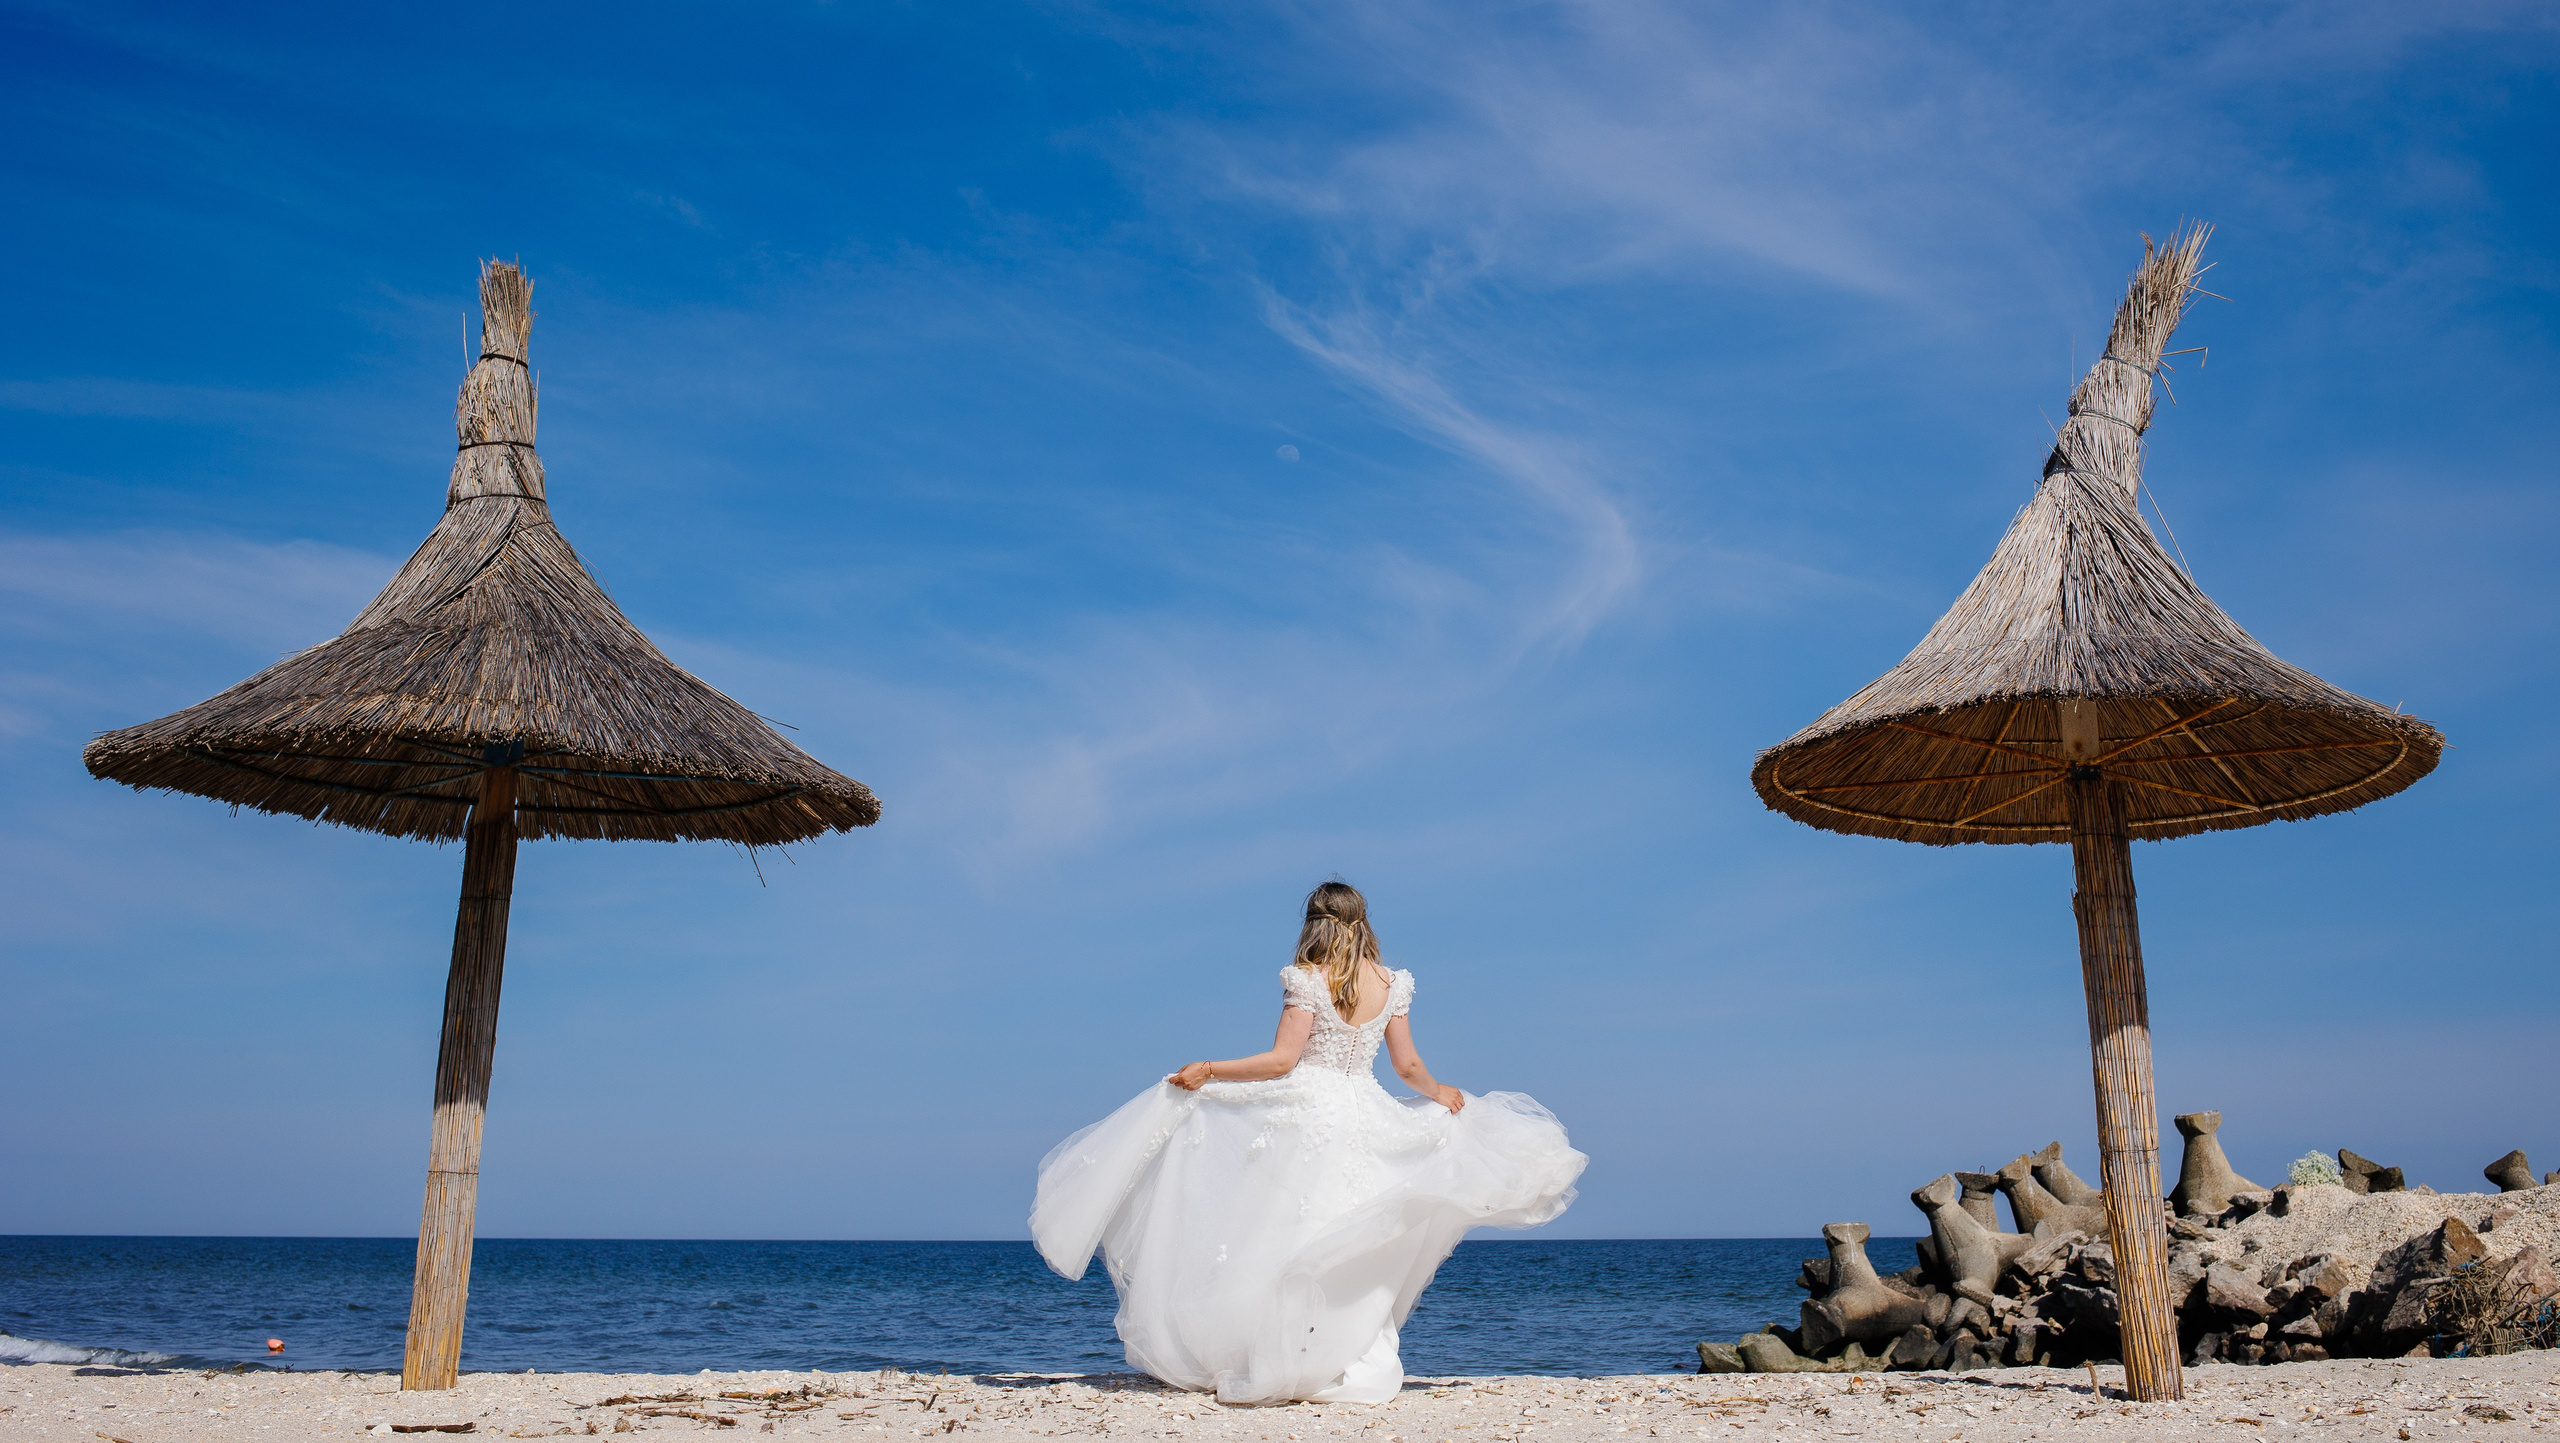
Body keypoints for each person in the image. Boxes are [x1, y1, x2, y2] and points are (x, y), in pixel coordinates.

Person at [1031, 881, 1585, 1405]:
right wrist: (1443, 1094)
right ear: (1362, 922)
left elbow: (1281, 1061)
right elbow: (1407, 1065)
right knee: (1349, 1230)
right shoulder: (1391, 983)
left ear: (1315, 925)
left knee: (1281, 1230)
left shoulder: (1308, 979)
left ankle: (1282, 1353)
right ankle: (1348, 1354)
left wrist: (1209, 1069)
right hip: (1365, 1112)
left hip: (1307, 1114)